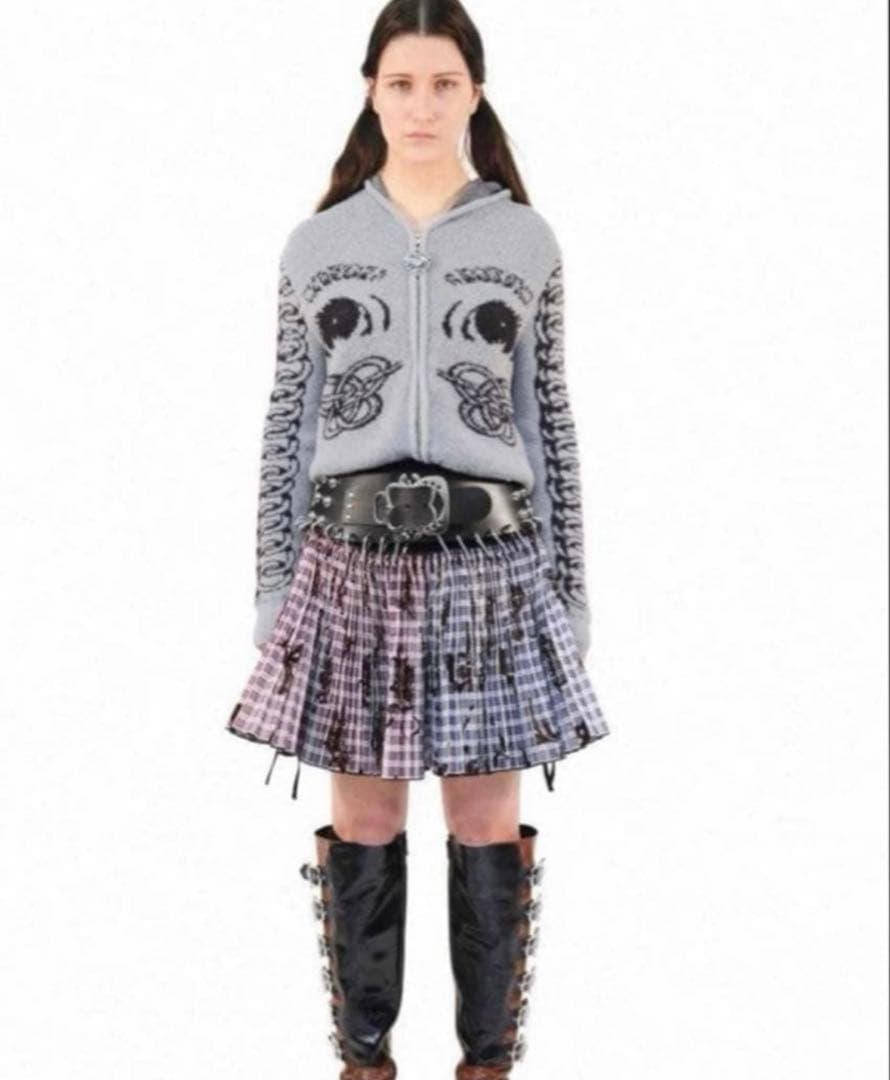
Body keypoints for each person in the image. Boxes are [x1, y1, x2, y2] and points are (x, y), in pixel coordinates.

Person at [225, 2, 611, 1076]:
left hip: (494, 570)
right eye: (401, 84)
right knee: (363, 822)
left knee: (486, 822)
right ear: (371, 92)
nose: (422, 105)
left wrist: (570, 589)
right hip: (348, 567)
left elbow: (547, 419)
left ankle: (485, 1063)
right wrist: (273, 586)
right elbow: (290, 421)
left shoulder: (525, 241)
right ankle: (366, 1063)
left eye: (443, 83)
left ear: (474, 93)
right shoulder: (319, 245)